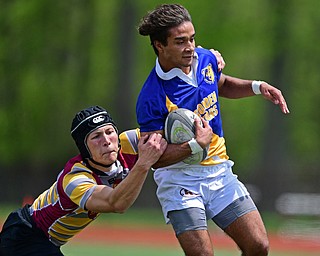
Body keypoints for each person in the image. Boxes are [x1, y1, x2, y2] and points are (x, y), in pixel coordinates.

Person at [136, 4, 290, 256]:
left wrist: (257, 86)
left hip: (219, 172)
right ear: (159, 45)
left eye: (192, 38)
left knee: (258, 245)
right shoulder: (151, 96)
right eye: (180, 41)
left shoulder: (205, 58)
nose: (190, 47)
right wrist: (196, 145)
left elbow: (221, 84)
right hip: (179, 181)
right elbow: (155, 158)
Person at [0, 105, 167, 256]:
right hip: (25, 237)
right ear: (84, 148)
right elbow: (116, 203)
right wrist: (143, 164)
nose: (107, 141)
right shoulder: (75, 178)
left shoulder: (129, 143)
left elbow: (166, 136)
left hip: (46, 241)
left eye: (109, 132)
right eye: (96, 137)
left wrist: (192, 145)